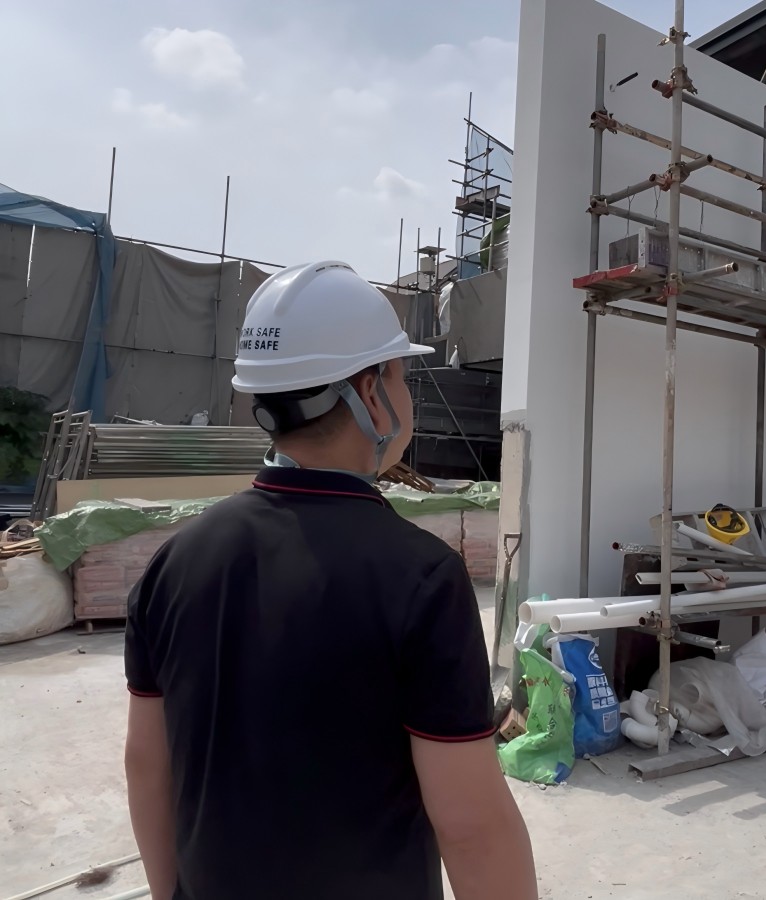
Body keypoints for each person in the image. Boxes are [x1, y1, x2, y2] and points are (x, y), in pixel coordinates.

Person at [124, 260, 538, 900]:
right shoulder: (421, 578)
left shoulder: (174, 562)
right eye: (400, 374)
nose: (408, 394)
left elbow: (148, 766)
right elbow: (471, 824)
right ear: (368, 392)